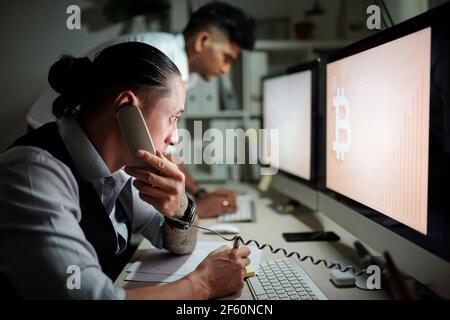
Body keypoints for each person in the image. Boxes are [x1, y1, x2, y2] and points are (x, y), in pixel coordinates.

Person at [0, 42, 250, 299]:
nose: (174, 138)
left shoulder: (121, 169)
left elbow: (177, 245)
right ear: (125, 107)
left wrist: (180, 208)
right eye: (173, 118)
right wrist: (203, 285)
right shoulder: (34, 174)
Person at [27, 1, 256, 218]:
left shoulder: (177, 66)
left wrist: (195, 196)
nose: (226, 69)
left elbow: (163, 145)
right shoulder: (159, 57)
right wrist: (191, 204)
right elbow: (158, 150)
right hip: (56, 138)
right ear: (203, 41)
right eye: (227, 58)